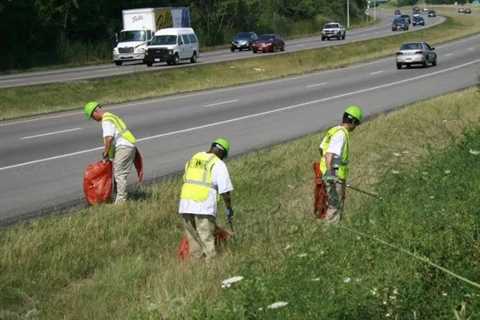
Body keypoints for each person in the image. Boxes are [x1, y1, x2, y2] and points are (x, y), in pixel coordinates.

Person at [178, 138, 234, 260]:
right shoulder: (218, 164)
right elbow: (225, 191)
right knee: (207, 239)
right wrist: (229, 208)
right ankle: (211, 269)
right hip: (203, 206)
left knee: (193, 240)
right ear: (222, 153)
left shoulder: (194, 158)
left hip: (185, 205)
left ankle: (196, 267)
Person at [84, 101, 137, 204]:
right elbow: (114, 139)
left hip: (124, 147)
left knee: (119, 174)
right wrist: (110, 157)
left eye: (92, 117)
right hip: (127, 145)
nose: (94, 119)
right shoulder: (111, 116)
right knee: (118, 173)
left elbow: (109, 138)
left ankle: (121, 201)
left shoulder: (106, 120)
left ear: (95, 112)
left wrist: (105, 153)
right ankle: (117, 196)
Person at [319, 105, 363, 223]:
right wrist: (331, 175)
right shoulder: (341, 135)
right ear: (353, 121)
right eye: (357, 124)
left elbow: (322, 148)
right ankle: (331, 234)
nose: (356, 127)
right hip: (334, 177)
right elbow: (329, 155)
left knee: (333, 205)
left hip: (330, 174)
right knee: (335, 207)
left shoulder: (334, 130)